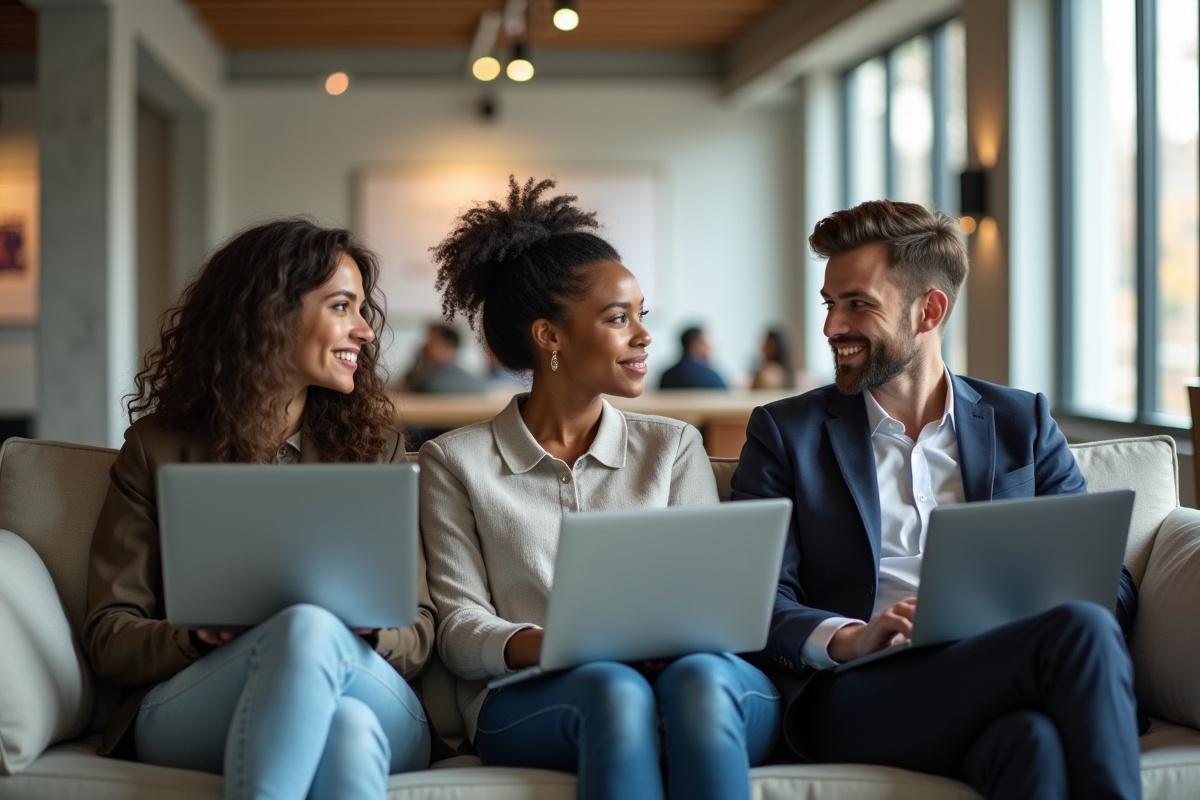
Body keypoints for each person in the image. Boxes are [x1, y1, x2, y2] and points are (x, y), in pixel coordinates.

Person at [731, 200, 1142, 800]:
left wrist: (1024, 613)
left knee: (1033, 744)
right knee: (1079, 630)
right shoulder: (785, 432)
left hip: (996, 667)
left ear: (930, 310)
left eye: (857, 304)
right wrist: (849, 638)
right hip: (859, 691)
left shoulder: (1021, 422)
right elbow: (753, 597)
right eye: (829, 304)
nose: (831, 328)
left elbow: (1111, 583)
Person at [420, 176, 780, 800]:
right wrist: (559, 647)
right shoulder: (455, 462)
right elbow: (459, 628)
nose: (644, 336)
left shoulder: (672, 446)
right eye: (619, 319)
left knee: (696, 684)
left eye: (642, 316)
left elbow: (707, 601)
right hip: (533, 695)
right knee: (613, 690)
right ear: (550, 336)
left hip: (685, 677)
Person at [82, 219, 438, 799]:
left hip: (367, 685)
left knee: (322, 655)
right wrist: (197, 637)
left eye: (361, 309)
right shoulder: (157, 448)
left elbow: (419, 632)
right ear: (272, 313)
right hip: (200, 698)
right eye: (342, 307)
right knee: (345, 726)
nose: (365, 331)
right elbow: (109, 636)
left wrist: (370, 632)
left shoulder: (377, 450)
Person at [404, 323, 488, 394]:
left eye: (430, 341)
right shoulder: (478, 383)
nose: (425, 346)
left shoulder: (428, 384)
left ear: (448, 346)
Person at [659, 326, 728, 389]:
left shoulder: (666, 376)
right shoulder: (712, 377)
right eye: (705, 344)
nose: (709, 349)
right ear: (697, 345)